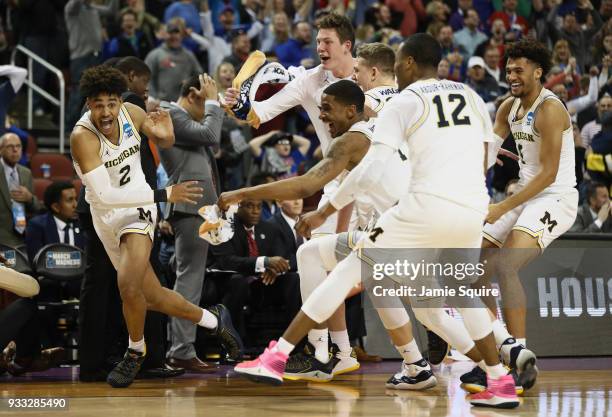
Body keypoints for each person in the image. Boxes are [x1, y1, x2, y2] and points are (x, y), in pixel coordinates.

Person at [229, 34, 521, 409]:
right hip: (471, 208)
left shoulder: (405, 101)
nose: (396, 68)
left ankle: (278, 355)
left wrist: (326, 208)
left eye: (400, 61)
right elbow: (486, 157)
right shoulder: (473, 96)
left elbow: (372, 169)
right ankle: (499, 379)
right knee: (458, 294)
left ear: (411, 63)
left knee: (345, 270)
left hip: (422, 208)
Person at [218, 80, 435, 388]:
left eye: (326, 108)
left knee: (434, 312)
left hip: (406, 230)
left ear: (352, 109)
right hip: (406, 226)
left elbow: (306, 184)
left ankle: (305, 354)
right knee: (341, 268)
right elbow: (349, 190)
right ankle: (415, 364)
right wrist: (326, 214)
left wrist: (242, 192)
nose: (320, 116)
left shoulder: (352, 142)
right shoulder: (382, 127)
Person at [70, 65, 242, 388]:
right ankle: (214, 320)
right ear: (88, 105)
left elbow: (167, 138)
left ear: (120, 102)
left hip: (140, 209)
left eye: (111, 103)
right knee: (154, 296)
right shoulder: (83, 137)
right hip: (107, 214)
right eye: (98, 104)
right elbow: (106, 196)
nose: (106, 111)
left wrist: (165, 134)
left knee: (127, 284)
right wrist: (166, 193)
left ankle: (135, 352)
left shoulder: (132, 112)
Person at [477, 38, 579, 393]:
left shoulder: (551, 109)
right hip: (524, 193)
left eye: (519, 70)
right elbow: (489, 154)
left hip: (556, 197)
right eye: (508, 70)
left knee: (505, 265)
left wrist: (501, 207)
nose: (512, 76)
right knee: (475, 267)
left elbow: (549, 174)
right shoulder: (508, 107)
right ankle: (498, 354)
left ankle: (519, 353)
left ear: (539, 72)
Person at [224, 13, 357, 236]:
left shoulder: (371, 72)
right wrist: (241, 104)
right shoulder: (308, 81)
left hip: (378, 176)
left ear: (347, 45)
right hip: (337, 180)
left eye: (327, 42)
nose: (320, 48)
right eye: (318, 42)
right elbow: (261, 113)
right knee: (316, 256)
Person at [159, 74, 225, 372]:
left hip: (200, 209)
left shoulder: (188, 122)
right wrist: (212, 100)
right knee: (190, 278)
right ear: (193, 95)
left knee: (187, 274)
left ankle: (179, 346)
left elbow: (211, 133)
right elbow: (213, 135)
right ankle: (181, 350)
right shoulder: (172, 113)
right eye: (207, 99)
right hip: (190, 207)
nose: (211, 107)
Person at [25, 181, 84, 262]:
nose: (76, 205)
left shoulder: (83, 225)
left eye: (75, 199)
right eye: (70, 200)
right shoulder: (37, 226)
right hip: (47, 274)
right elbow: (36, 262)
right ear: (56, 207)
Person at [0, 133, 40, 248]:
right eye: (10, 146)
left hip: (23, 239)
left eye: (18, 146)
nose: (15, 150)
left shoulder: (26, 173)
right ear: (0, 150)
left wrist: (29, 198)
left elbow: (36, 208)